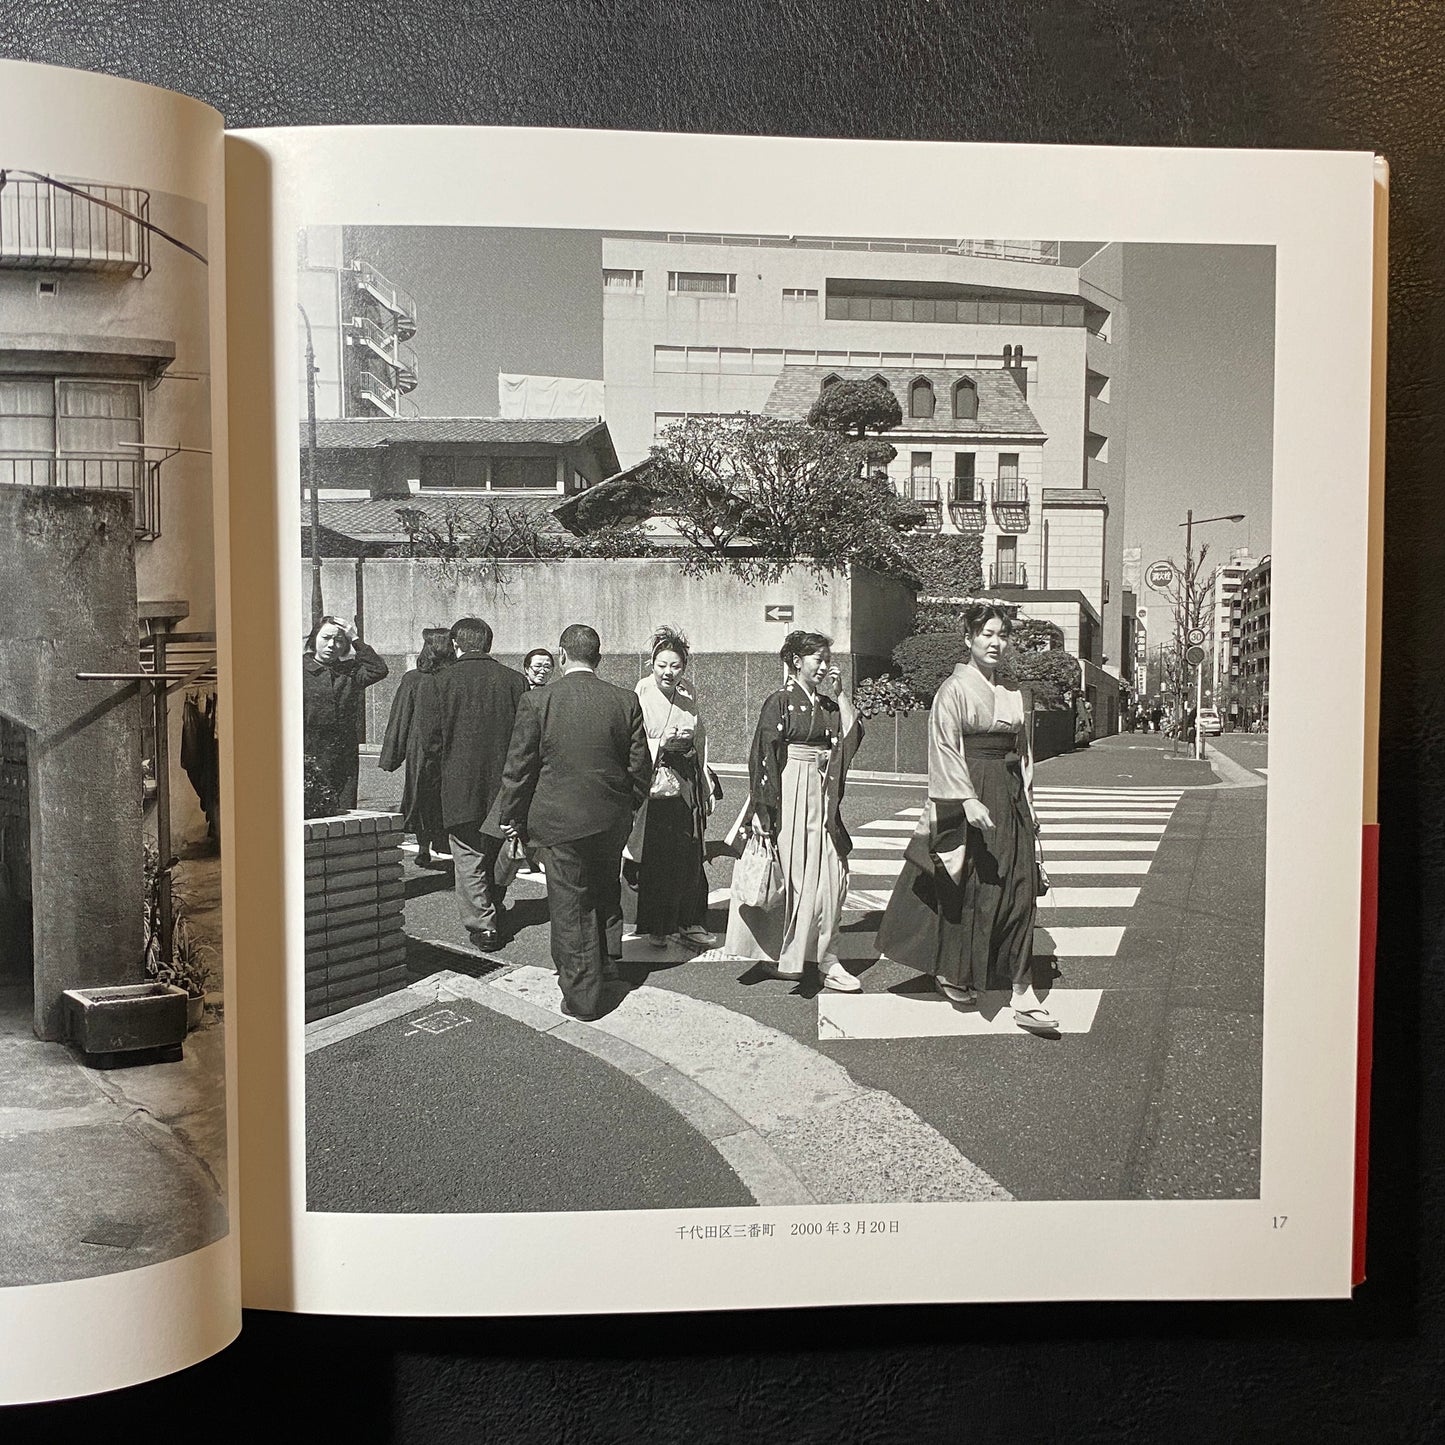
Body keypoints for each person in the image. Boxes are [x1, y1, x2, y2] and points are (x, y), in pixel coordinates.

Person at [876, 602, 1056, 1031]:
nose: (996, 642)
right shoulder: (953, 690)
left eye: (1002, 635)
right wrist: (966, 799)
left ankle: (1020, 987)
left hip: (1009, 792)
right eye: (987, 634)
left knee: (1020, 886)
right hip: (970, 791)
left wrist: (1029, 804)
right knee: (974, 888)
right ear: (969, 640)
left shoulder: (1013, 691)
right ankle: (955, 970)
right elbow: (944, 747)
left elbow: (1023, 754)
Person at [493, 623, 652, 1021]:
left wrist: (512, 817)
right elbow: (641, 770)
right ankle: (609, 966)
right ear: (598, 658)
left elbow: (519, 769)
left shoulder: (538, 701)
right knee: (603, 894)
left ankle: (583, 996)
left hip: (558, 821)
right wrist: (624, 808)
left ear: (561, 656)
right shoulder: (625, 700)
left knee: (570, 906)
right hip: (610, 819)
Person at [719, 630, 863, 994]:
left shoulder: (828, 706)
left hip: (822, 798)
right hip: (790, 794)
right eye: (818, 659)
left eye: (828, 659)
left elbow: (851, 738)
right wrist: (762, 813)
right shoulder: (780, 701)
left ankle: (827, 959)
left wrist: (841, 693)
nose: (824, 666)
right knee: (796, 884)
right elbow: (764, 757)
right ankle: (796, 959)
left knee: (832, 879)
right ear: (797, 661)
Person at [423, 616, 526, 952]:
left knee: (467, 855)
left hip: (458, 784)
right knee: (498, 850)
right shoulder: (515, 681)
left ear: (456, 643)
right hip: (505, 785)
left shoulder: (440, 681)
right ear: (489, 643)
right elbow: (526, 740)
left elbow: (431, 744)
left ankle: (484, 927)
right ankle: (494, 903)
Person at [626, 626, 717, 949]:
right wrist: (659, 743)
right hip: (656, 779)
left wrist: (704, 779)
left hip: (686, 775)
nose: (668, 672)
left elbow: (701, 735)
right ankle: (658, 926)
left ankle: (690, 920)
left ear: (684, 667)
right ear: (652, 663)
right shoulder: (641, 691)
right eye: (662, 665)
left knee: (691, 850)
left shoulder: (689, 692)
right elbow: (632, 740)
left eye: (675, 666)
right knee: (659, 855)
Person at [378, 627, 453, 867]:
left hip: (421, 752)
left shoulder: (414, 679)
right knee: (441, 800)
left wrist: (392, 756)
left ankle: (424, 847)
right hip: (447, 750)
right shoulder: (453, 678)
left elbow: (400, 718)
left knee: (422, 799)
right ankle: (433, 846)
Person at [302, 616, 388, 812]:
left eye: (340, 640)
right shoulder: (297, 670)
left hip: (343, 753)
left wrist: (355, 638)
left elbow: (379, 669)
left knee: (344, 810)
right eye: (326, 638)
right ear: (314, 639)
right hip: (309, 750)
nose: (332, 645)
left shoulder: (349, 671)